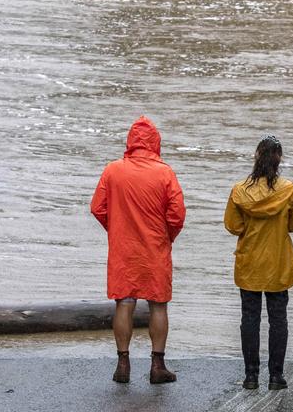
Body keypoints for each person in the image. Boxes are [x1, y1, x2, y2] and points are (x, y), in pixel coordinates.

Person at [90, 115, 186, 385]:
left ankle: (123, 363)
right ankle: (157, 365)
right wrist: (167, 237)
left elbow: (97, 207)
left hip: (124, 249)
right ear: (155, 142)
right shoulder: (165, 172)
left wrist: (116, 229)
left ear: (130, 142)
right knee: (158, 305)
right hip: (155, 248)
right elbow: (177, 215)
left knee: (124, 302)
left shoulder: (113, 170)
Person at [224, 135, 293, 391]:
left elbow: (233, 226)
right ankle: (276, 376)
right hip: (278, 263)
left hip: (249, 263)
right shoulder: (289, 189)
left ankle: (250, 376)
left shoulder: (239, 190)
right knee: (278, 319)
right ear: (279, 159)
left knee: (249, 318)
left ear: (256, 157)